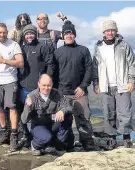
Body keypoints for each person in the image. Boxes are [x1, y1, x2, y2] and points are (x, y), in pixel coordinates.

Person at [53, 20, 96, 151]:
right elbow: (54, 73)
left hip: (79, 92)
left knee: (83, 119)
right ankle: (67, 143)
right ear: (63, 36)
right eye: (66, 34)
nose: (69, 36)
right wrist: (56, 92)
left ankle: (87, 144)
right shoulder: (58, 52)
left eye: (71, 33)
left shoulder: (83, 50)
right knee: (65, 121)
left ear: (75, 35)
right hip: (63, 93)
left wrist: (83, 86)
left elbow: (90, 69)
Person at [92, 20, 135, 148]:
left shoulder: (124, 45)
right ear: (103, 32)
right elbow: (95, 67)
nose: (110, 33)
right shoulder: (98, 47)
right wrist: (96, 84)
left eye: (112, 30)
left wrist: (131, 80)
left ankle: (126, 137)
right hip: (105, 85)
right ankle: (112, 139)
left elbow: (132, 64)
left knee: (125, 112)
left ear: (116, 31)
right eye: (107, 30)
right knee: (108, 113)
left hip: (122, 84)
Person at [0, 23, 24, 151]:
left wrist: (5, 61)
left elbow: (20, 63)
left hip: (10, 80)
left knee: (12, 107)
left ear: (7, 32)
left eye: (4, 32)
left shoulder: (14, 45)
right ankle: (4, 131)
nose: (2, 35)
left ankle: (14, 136)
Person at [21, 74, 74, 155]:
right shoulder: (32, 96)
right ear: (38, 84)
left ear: (52, 84)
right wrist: (28, 107)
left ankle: (58, 144)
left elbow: (69, 107)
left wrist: (62, 111)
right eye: (44, 85)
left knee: (68, 116)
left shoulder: (57, 94)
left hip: (53, 123)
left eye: (49, 85)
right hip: (38, 125)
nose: (46, 88)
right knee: (46, 137)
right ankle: (35, 145)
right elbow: (24, 120)